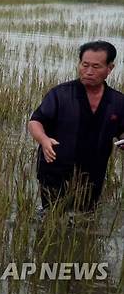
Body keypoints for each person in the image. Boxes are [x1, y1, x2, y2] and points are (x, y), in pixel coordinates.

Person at [28, 40, 124, 212]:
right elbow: (36, 121)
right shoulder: (61, 94)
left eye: (96, 66)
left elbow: (121, 132)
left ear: (110, 68)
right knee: (52, 218)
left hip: (93, 175)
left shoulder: (117, 101)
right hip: (55, 170)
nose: (88, 71)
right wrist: (44, 140)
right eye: (84, 65)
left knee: (85, 219)